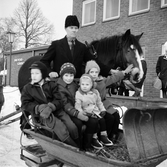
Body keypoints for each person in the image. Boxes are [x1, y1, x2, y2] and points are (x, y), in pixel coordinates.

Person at [21, 61, 77, 147]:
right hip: (43, 115)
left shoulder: (51, 85)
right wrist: (38, 108)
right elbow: (25, 104)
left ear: (43, 74)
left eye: (37, 73)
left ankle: (78, 143)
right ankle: (73, 148)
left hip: (56, 110)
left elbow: (59, 100)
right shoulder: (28, 88)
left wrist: (51, 106)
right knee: (60, 128)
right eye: (32, 73)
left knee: (72, 126)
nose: (34, 76)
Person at [40, 15, 110, 79]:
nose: (74, 30)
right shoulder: (56, 44)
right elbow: (44, 61)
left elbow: (93, 61)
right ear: (66, 28)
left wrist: (109, 70)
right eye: (71, 28)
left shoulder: (82, 47)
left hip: (76, 83)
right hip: (59, 83)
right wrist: (50, 72)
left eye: (76, 28)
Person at [85, 60, 133, 142]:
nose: (94, 74)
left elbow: (113, 78)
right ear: (88, 72)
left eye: (96, 72)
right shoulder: (86, 82)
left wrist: (124, 72)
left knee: (116, 115)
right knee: (110, 118)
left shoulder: (101, 80)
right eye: (91, 72)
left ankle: (113, 136)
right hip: (95, 106)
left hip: (104, 103)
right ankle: (103, 137)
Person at [75, 74, 113, 149]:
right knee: (94, 122)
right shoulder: (79, 94)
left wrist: (102, 110)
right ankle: (94, 138)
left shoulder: (95, 92)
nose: (84, 86)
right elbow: (78, 106)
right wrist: (84, 113)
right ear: (80, 84)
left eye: (87, 84)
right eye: (82, 84)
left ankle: (103, 136)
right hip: (86, 112)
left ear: (91, 85)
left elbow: (99, 102)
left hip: (95, 111)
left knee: (102, 120)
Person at [56, 62, 86, 148]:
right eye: (66, 75)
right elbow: (65, 103)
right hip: (67, 110)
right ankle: (77, 144)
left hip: (75, 108)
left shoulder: (74, 84)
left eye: (71, 75)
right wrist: (76, 113)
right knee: (77, 124)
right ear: (62, 75)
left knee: (90, 121)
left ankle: (87, 141)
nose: (69, 78)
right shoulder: (59, 87)